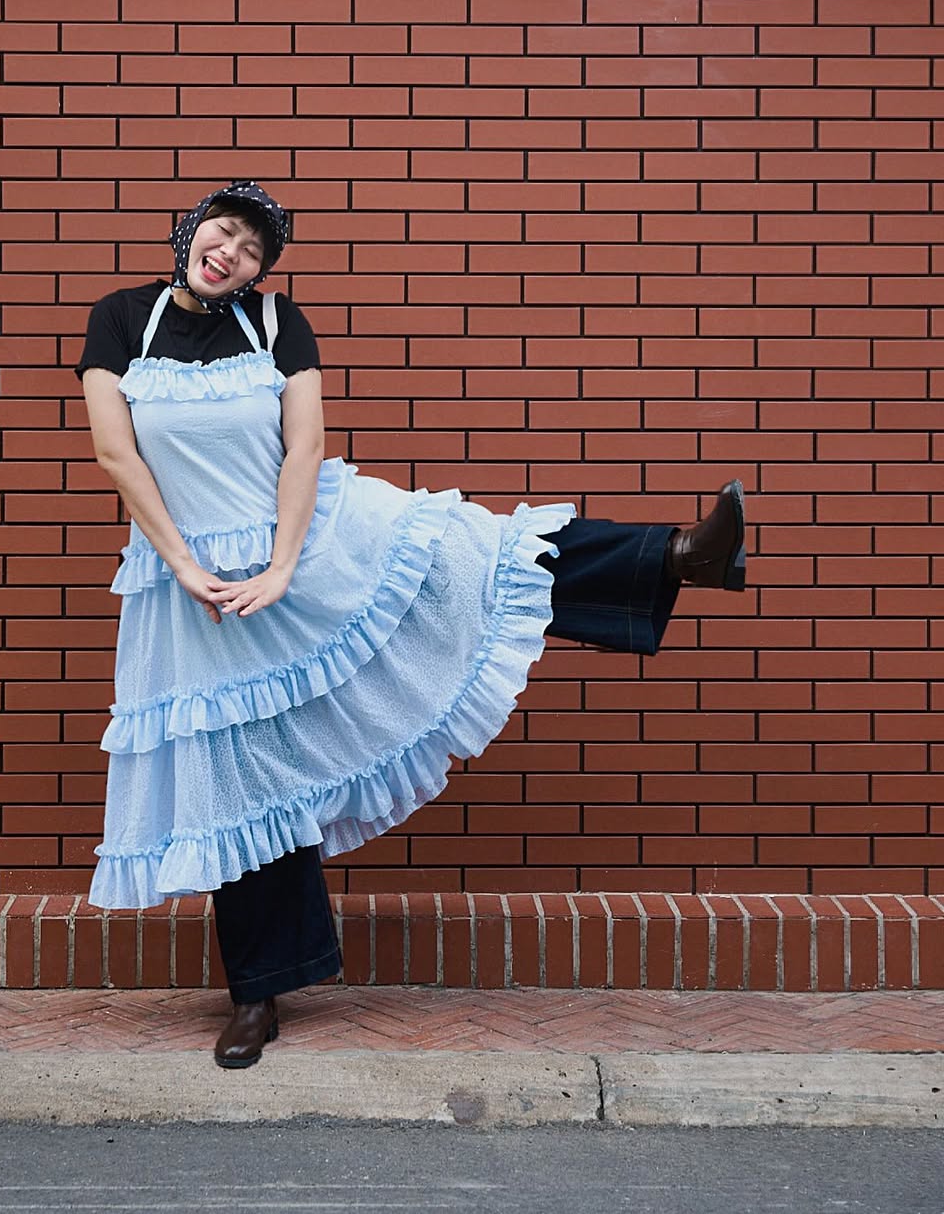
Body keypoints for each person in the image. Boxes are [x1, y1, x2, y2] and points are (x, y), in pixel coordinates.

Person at [75, 180, 747, 1070]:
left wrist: (281, 566)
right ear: (192, 232)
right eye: (223, 232)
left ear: (259, 271)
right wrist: (184, 564)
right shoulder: (122, 319)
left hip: (304, 544)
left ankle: (677, 556)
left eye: (252, 249)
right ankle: (257, 994)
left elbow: (305, 446)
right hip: (191, 586)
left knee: (475, 552)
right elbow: (116, 452)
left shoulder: (276, 324)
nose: (231, 251)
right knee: (240, 776)